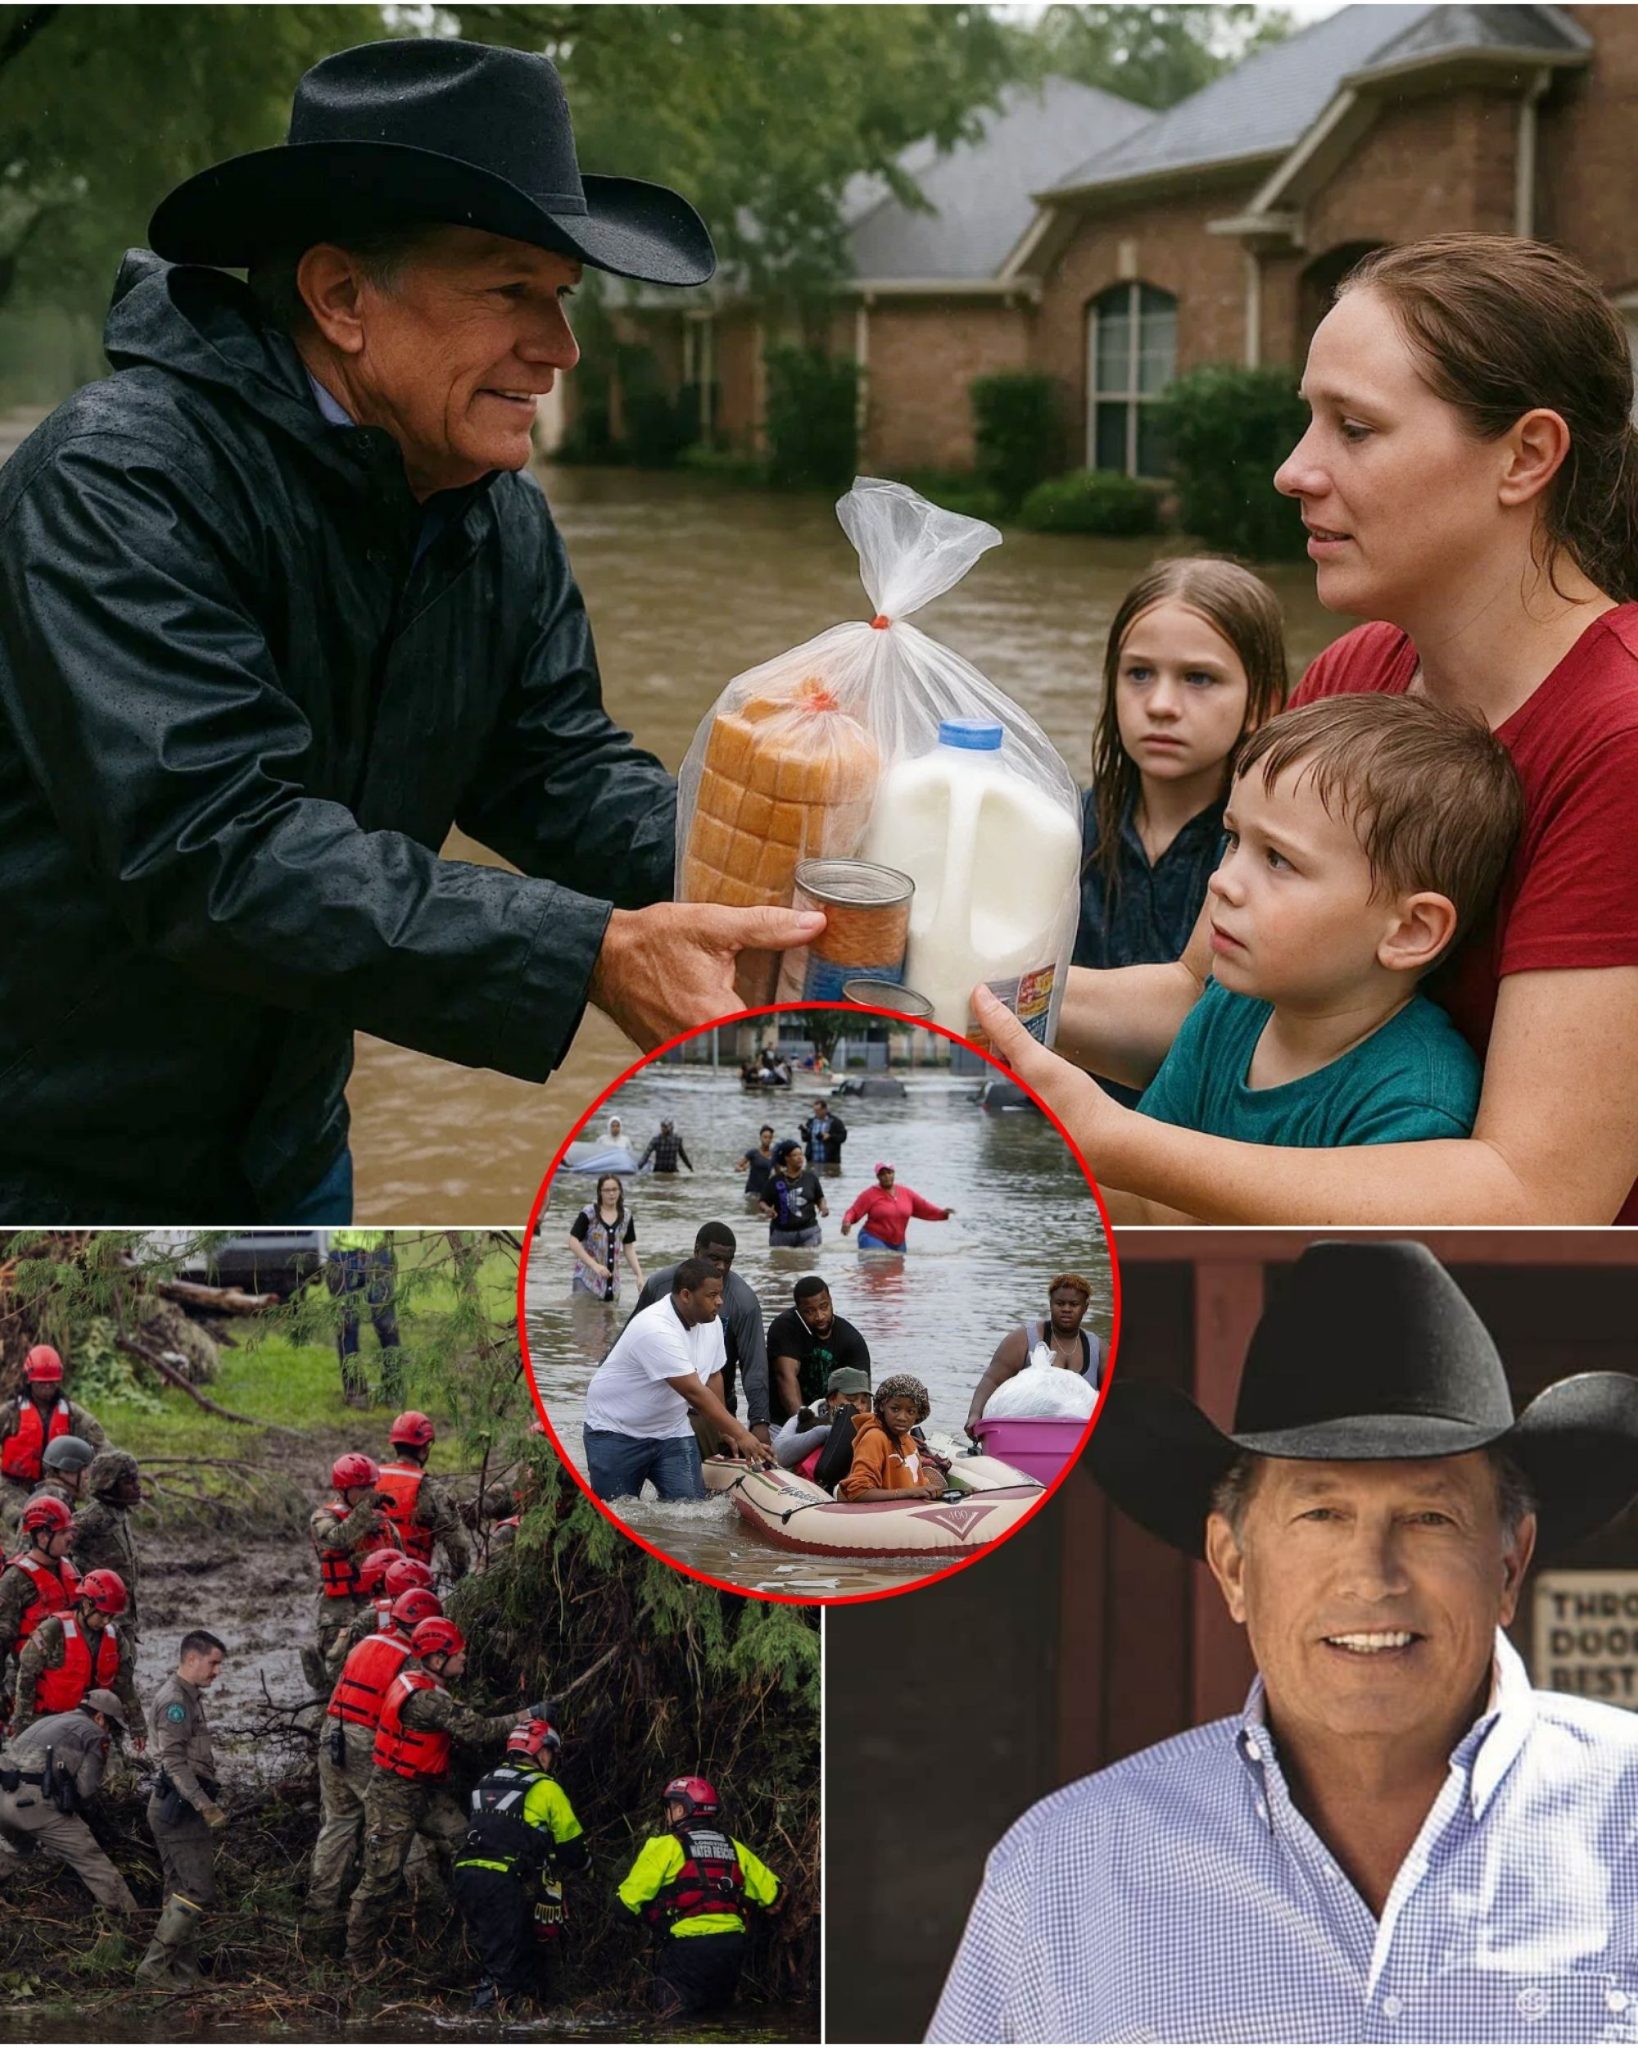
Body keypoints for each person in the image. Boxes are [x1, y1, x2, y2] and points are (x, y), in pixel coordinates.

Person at [0, 35, 825, 1225]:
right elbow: (215, 848)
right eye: (510, 291)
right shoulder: (119, 484)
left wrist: (792, 866)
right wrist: (591, 949)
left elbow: (562, 774)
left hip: (285, 1148)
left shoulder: (497, 518)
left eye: (562, 297)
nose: (559, 347)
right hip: (47, 1165)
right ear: (340, 296)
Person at [978, 233, 1638, 1228]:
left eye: (1356, 429)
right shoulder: (1356, 673)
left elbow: (1536, 1195)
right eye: (1307, 422)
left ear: (1527, 456)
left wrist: (1124, 1144)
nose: (1294, 471)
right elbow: (1207, 1001)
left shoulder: (1619, 738)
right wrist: (954, 993)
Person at [930, 1241, 1638, 2044]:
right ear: (1234, 1567)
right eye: (1320, 1515)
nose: (1372, 1579)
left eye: (1429, 1517)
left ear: (1509, 1564)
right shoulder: (1065, 1873)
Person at [1096, 695, 1520, 1224]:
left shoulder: (1412, 1104)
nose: (1221, 882)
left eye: (1278, 859)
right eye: (1232, 840)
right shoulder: (1227, 1009)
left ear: (1411, 931)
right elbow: (1141, 1202)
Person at [1076, 559, 1289, 982]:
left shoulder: (1267, 859)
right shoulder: (1069, 825)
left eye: (1198, 678)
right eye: (1139, 673)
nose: (1160, 705)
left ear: (1263, 703)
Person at [344, 1617, 530, 1963]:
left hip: (424, 1790)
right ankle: (357, 1957)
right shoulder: (427, 1699)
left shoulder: (420, 1682)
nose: (464, 1659)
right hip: (394, 1795)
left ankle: (458, 1927)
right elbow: (478, 1730)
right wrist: (527, 1716)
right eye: (458, 1654)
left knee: (465, 1840)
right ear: (435, 1659)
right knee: (381, 1877)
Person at [302, 1584, 443, 1952]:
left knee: (337, 1824)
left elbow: (335, 1679)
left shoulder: (366, 1642)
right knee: (396, 1819)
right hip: (364, 1741)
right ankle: (423, 1904)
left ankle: (318, 1914)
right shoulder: (410, 1657)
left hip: (332, 1736)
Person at [581, 1261, 773, 1502]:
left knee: (691, 1512)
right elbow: (694, 1392)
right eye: (712, 1295)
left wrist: (726, 1430)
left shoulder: (711, 1322)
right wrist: (743, 1435)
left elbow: (713, 1375)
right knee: (618, 1513)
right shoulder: (656, 1328)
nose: (720, 1302)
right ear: (685, 1295)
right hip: (616, 1432)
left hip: (671, 1431)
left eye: (721, 1294)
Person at [453, 1714, 590, 2012]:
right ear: (541, 1751)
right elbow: (572, 1848)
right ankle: (483, 2025)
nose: (552, 1760)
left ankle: (520, 2021)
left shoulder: (484, 1782)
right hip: (500, 1882)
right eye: (551, 1753)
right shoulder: (545, 1787)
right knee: (503, 1969)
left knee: (511, 1953)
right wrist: (587, 1867)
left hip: (466, 1877)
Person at [616, 1775, 782, 2020]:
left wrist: (649, 1919)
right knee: (718, 2022)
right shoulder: (735, 1847)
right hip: (731, 1950)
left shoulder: (665, 1846)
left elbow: (624, 1906)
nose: (668, 1814)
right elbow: (774, 1895)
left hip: (687, 1952)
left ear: (682, 1809)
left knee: (676, 2025)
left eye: (670, 1807)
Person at [138, 1629, 228, 1990]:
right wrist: (205, 1806)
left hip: (177, 1807)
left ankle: (185, 1977)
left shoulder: (189, 1696)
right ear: (192, 1658)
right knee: (198, 1890)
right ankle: (153, 1968)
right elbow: (173, 1762)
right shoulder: (176, 1701)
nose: (217, 1671)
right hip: (179, 1810)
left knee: (179, 1892)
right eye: (213, 1663)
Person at [0, 1688, 139, 1918]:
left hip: (3, 1798)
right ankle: (131, 1921)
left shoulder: (51, 1721)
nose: (109, 1733)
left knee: (16, 1849)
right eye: (111, 1727)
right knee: (92, 1860)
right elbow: (86, 1790)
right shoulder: (94, 1733)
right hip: (32, 1803)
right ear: (100, 1717)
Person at [630, 1224, 772, 1444]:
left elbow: (755, 1367)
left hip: (714, 1407)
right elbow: (628, 1342)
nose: (721, 1267)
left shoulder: (743, 1302)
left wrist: (759, 1422)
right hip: (655, 1405)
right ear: (696, 1251)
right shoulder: (660, 1286)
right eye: (714, 1258)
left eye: (728, 1260)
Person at [13, 1569, 145, 1746]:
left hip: (93, 1724)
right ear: (86, 1604)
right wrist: (23, 1728)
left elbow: (125, 1685)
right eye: (103, 1614)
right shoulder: (53, 1630)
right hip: (50, 1721)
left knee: (112, 1767)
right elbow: (26, 1677)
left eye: (111, 1616)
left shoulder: (115, 1638)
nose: (106, 1621)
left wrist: (137, 1726)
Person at [965, 1275, 1102, 1437]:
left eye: (1074, 1304)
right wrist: (974, 1415)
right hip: (1025, 1433)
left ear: (1085, 1307)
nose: (1066, 1309)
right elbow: (992, 1379)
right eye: (1059, 1303)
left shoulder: (1099, 1349)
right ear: (1050, 1304)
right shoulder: (1022, 1340)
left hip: (1078, 1436)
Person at [309, 1453, 399, 1682]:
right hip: (340, 1613)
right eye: (362, 1488)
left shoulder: (383, 1522)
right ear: (343, 1490)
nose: (369, 1492)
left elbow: (400, 1562)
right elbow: (336, 1539)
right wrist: (367, 1511)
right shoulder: (323, 1517)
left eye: (371, 1486)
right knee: (338, 1674)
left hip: (377, 1608)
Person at [0, 1346, 106, 1500]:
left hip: (58, 1486)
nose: (47, 1386)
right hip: (14, 1487)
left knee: (57, 1515)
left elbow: (103, 1447)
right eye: (42, 1382)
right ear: (30, 1380)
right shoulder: (11, 1412)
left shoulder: (73, 1414)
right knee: (22, 1518)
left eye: (51, 1382)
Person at [375, 1411, 471, 1580]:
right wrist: (459, 1575)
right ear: (424, 1448)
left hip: (373, 1575)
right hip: (411, 1579)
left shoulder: (374, 1478)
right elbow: (457, 1544)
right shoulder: (430, 1489)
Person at [766, 1277, 871, 1424]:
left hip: (831, 1420)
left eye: (824, 1307)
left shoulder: (850, 1338)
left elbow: (863, 1395)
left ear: (831, 1301)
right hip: (782, 1421)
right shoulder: (784, 1328)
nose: (819, 1316)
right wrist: (803, 1424)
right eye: (809, 1311)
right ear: (798, 1310)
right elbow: (786, 1377)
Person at [70, 1449, 145, 1647]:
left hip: (123, 1615)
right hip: (100, 1617)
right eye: (128, 1482)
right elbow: (55, 1543)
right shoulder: (93, 1518)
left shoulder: (119, 1514)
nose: (137, 1487)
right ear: (109, 1485)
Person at [837, 1375, 949, 1502]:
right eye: (895, 1409)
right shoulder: (874, 1438)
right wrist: (909, 1493)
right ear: (882, 1406)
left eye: (910, 1411)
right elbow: (857, 1492)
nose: (902, 1417)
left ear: (918, 1414)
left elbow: (918, 1484)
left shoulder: (908, 1440)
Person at [0, 1495, 80, 1666]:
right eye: (64, 1532)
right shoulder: (14, 1579)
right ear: (43, 1536)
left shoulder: (69, 1567)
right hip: (31, 1680)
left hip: (72, 1672)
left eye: (71, 1531)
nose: (71, 1537)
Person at [326, 1230, 403, 1406]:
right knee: (347, 1326)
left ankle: (393, 1388)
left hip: (378, 1252)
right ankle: (354, 1390)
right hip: (342, 1253)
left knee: (386, 1324)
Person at [773, 1367, 873, 1491]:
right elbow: (779, 1455)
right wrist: (825, 1433)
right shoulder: (804, 1416)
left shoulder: (871, 1426)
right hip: (804, 1490)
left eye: (864, 1402)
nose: (859, 1406)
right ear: (831, 1399)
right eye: (851, 1399)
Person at [5, 1433, 97, 1547]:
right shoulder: (57, 1498)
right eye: (85, 1470)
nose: (87, 1477)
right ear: (67, 1470)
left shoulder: (48, 1493)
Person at [840, 1161, 953, 1252]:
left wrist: (942, 1213)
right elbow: (854, 1211)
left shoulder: (906, 1193)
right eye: (882, 1174)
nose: (886, 1176)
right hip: (872, 1238)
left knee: (896, 1277)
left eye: (889, 1172)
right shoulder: (870, 1194)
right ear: (877, 1177)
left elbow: (924, 1207)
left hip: (898, 1244)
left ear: (894, 1173)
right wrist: (847, 1221)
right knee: (877, 1272)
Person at [567, 1174, 643, 1303]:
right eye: (607, 1190)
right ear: (600, 1192)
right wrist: (595, 1266)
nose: (611, 1194)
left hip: (612, 1284)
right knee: (584, 1318)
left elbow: (628, 1248)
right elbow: (572, 1242)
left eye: (615, 1189)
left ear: (620, 1191)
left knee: (610, 1320)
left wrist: (639, 1275)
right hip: (586, 1280)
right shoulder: (589, 1213)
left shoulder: (626, 1216)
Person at [759, 1142, 827, 1250]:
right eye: (795, 1155)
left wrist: (823, 1207)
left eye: (801, 1154)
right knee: (781, 1264)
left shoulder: (811, 1178)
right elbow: (762, 1201)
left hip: (809, 1231)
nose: (800, 1158)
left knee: (807, 1262)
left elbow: (820, 1197)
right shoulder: (775, 1180)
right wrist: (767, 1209)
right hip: (781, 1234)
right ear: (787, 1158)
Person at [798, 1098, 848, 1170]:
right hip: (812, 1160)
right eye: (815, 1111)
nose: (816, 1113)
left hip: (830, 1160)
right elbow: (805, 1139)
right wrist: (804, 1132)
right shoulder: (811, 1122)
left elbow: (843, 1137)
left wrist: (830, 1136)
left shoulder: (835, 1122)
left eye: (818, 1111)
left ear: (825, 1109)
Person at [735, 1125, 778, 1201]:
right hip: (751, 1191)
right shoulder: (753, 1153)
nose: (767, 1140)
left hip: (764, 1192)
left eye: (770, 1137)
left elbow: (779, 1173)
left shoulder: (774, 1155)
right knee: (751, 1211)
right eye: (765, 1137)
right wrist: (741, 1169)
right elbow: (737, 1166)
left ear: (772, 1139)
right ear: (760, 1138)